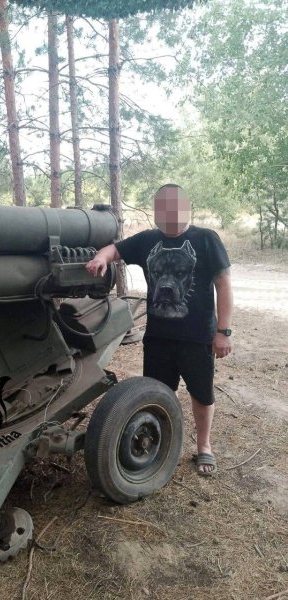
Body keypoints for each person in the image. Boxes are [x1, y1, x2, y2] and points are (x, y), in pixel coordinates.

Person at [85, 183, 233, 476]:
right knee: (156, 393)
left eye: (175, 206)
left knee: (202, 394)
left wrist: (223, 331)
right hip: (158, 338)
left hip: (197, 337)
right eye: (162, 207)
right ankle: (163, 440)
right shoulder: (147, 240)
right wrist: (101, 257)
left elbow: (224, 285)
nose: (169, 213)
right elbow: (115, 249)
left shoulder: (206, 239)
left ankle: (204, 445)